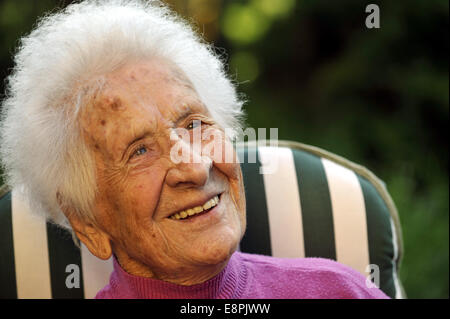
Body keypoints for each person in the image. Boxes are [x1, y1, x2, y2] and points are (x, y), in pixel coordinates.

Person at [0, 0, 388, 299]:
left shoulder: (339, 290)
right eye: (139, 151)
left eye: (195, 125)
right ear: (87, 223)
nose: (197, 167)